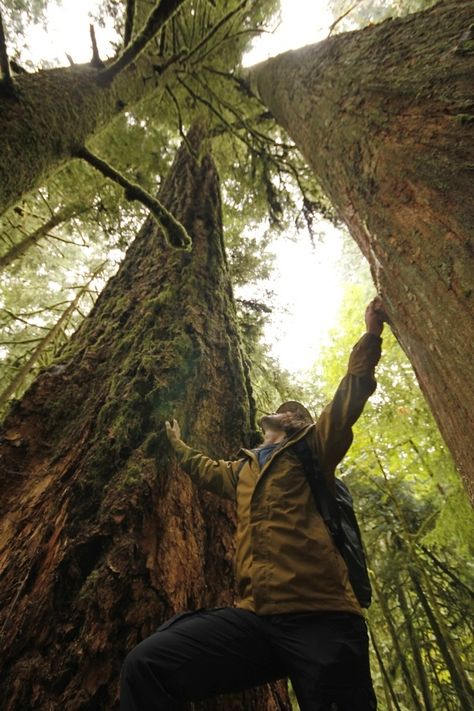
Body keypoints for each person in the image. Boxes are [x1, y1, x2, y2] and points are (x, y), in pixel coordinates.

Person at [120, 298, 387, 711]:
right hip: (257, 621)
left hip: (322, 615)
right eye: (279, 412)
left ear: (300, 424)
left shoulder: (314, 447)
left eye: (292, 413)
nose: (282, 415)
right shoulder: (244, 471)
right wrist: (175, 443)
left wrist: (370, 335)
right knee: (148, 664)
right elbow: (205, 469)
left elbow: (349, 398)